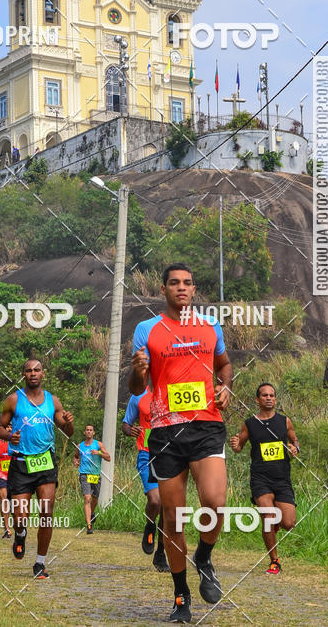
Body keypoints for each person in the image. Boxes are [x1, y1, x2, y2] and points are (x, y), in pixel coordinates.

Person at [129, 263, 233, 624]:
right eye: (174, 283)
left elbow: (224, 364)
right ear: (164, 289)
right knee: (173, 519)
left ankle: (203, 556)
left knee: (215, 503)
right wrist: (137, 371)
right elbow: (136, 388)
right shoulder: (147, 330)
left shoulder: (210, 325)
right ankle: (181, 595)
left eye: (187, 282)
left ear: (194, 288)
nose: (181, 288)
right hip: (165, 433)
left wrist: (225, 387)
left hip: (206, 426)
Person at [0, 359, 74, 579]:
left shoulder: (52, 401)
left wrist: (68, 422)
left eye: (37, 370)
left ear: (43, 374)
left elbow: (67, 432)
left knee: (46, 513)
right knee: (20, 516)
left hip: (45, 462)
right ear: (24, 375)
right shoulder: (13, 400)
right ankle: (20, 533)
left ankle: (40, 563)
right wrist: (9, 435)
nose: (33, 373)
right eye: (29, 370)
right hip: (21, 463)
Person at [229, 383, 299, 575]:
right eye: (265, 395)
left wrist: (295, 448)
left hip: (282, 478)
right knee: (268, 517)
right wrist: (235, 444)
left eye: (272, 395)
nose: (269, 398)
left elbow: (294, 440)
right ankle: (274, 561)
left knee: (288, 523)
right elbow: (239, 447)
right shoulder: (250, 424)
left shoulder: (284, 421)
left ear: (275, 399)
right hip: (260, 478)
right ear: (257, 400)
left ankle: (276, 524)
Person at [122, 389, 169, 571]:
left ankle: (161, 553)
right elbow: (126, 424)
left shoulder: (173, 390)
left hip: (170, 455)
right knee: (155, 500)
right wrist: (130, 430)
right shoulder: (139, 396)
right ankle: (150, 524)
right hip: (147, 455)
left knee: (167, 507)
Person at [72, 424, 111, 534]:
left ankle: (91, 513)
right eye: (87, 430)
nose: (89, 431)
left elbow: (108, 458)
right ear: (84, 432)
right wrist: (75, 461)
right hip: (84, 474)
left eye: (91, 430)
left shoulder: (98, 444)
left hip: (95, 475)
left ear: (93, 433)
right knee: (87, 498)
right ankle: (89, 526)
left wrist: (99, 452)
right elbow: (75, 456)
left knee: (94, 500)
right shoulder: (80, 446)